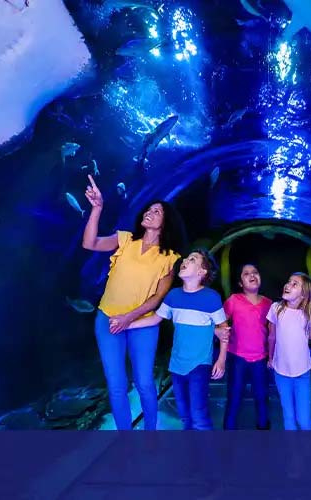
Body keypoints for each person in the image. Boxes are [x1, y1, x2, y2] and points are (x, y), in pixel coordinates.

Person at [81, 174, 185, 430]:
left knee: (144, 382)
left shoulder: (170, 258)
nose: (149, 212)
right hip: (108, 320)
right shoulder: (125, 239)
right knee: (116, 386)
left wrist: (128, 319)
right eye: (148, 209)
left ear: (166, 222)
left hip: (142, 324)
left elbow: (157, 299)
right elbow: (89, 243)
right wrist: (97, 209)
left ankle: (150, 433)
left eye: (156, 211)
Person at [130, 249, 229, 430]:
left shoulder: (211, 298)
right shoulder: (173, 295)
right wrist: (127, 323)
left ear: (202, 272)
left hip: (200, 364)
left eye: (192, 259)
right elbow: (155, 319)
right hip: (176, 365)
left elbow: (224, 329)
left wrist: (221, 360)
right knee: (184, 415)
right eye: (186, 258)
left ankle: (209, 455)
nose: (185, 260)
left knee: (199, 414)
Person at [267, 273, 311, 430]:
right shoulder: (276, 308)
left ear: (303, 294)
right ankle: (293, 452)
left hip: (302, 372)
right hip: (281, 372)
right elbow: (272, 336)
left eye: (294, 284)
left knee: (304, 419)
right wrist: (270, 358)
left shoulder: (308, 312)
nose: (288, 285)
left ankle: (307, 451)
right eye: (288, 282)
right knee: (288, 416)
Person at [221, 264, 273, 430]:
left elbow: (273, 334)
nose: (252, 275)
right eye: (246, 274)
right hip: (237, 358)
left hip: (261, 359)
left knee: (262, 396)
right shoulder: (234, 300)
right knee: (234, 397)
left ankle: (264, 432)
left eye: (255, 272)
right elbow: (221, 322)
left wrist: (272, 358)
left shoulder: (269, 304)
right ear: (240, 283)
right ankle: (227, 436)